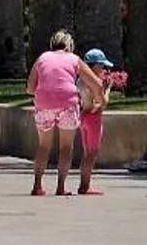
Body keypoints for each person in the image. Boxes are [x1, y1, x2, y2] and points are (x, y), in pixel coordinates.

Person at [26, 31, 102, 197]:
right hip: (67, 103)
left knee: (43, 146)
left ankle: (37, 185)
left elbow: (30, 88)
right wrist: (99, 101)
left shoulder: (42, 58)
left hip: (44, 103)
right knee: (66, 147)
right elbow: (96, 84)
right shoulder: (74, 59)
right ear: (69, 45)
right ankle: (61, 186)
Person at [76, 48, 115, 195]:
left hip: (83, 116)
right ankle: (85, 186)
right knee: (92, 153)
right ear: (94, 65)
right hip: (93, 118)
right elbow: (102, 103)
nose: (103, 69)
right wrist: (108, 89)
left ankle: (84, 184)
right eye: (101, 65)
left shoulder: (81, 81)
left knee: (87, 153)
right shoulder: (95, 82)